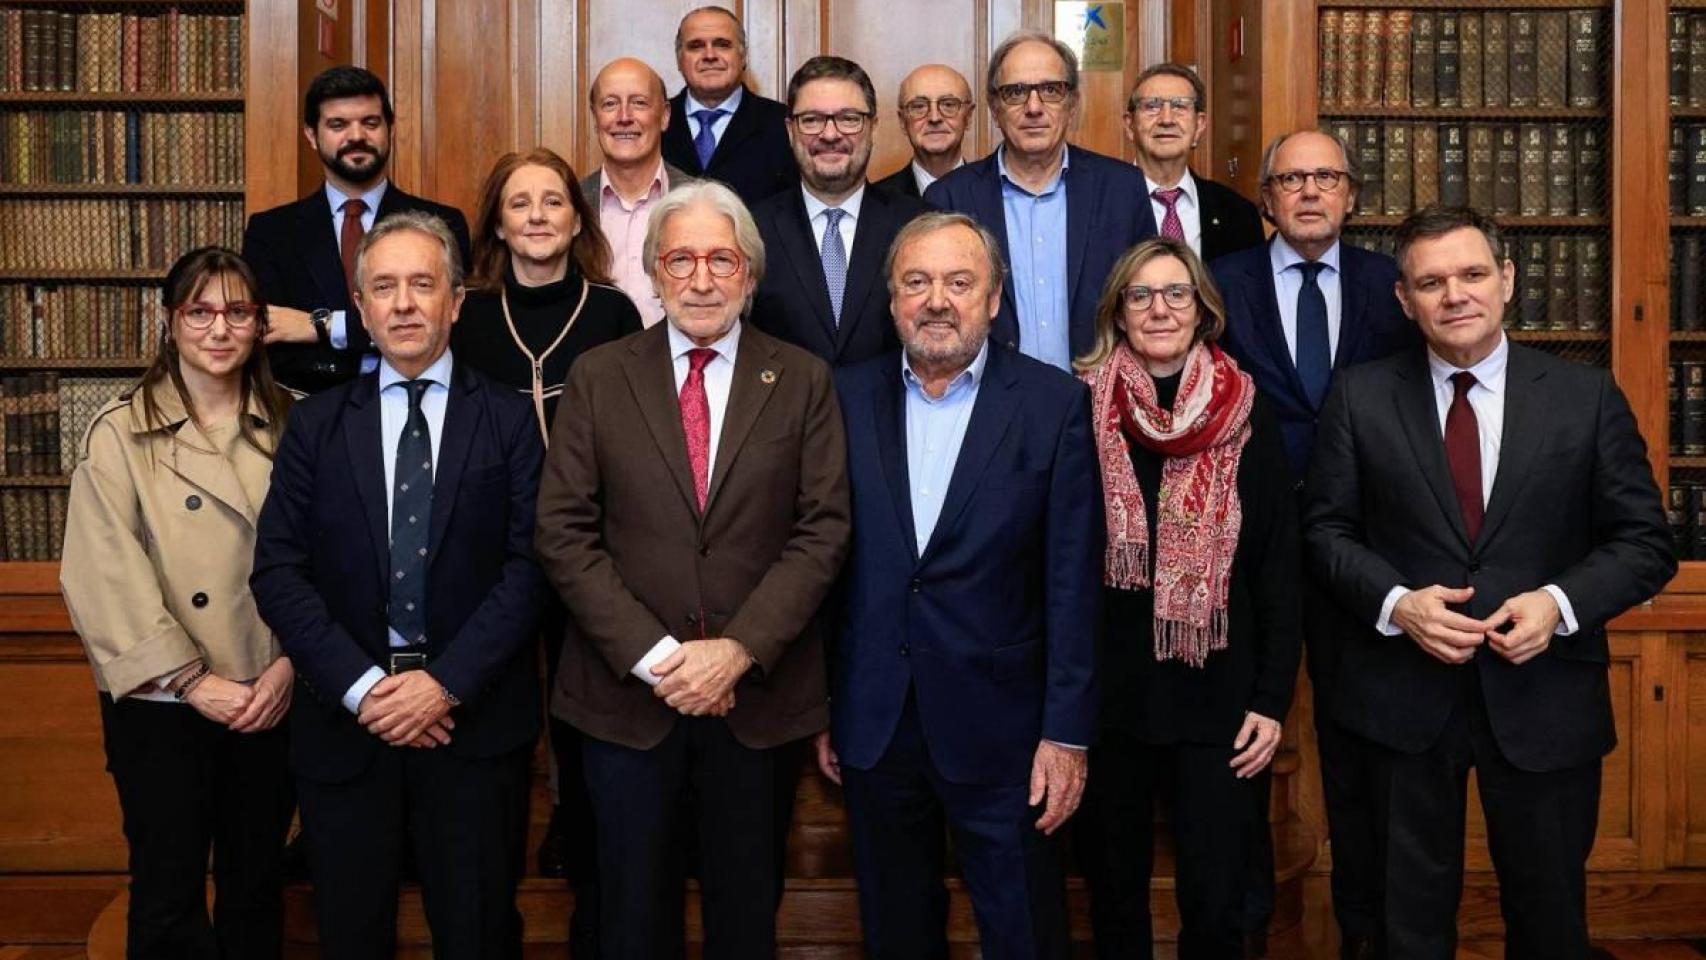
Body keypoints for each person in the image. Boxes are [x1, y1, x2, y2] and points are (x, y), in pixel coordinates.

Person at [1305, 205, 1676, 959]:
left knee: (1549, 921)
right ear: (1404, 300)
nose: (1455, 296)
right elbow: (1324, 531)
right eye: (1431, 282)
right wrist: (1397, 604)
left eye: (1473, 274)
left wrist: (1559, 604)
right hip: (1402, 702)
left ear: (1507, 280)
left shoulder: (1585, 397)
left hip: (1544, 697)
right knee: (1402, 923)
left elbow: (1644, 543)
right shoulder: (1360, 395)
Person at [534, 180, 849, 960]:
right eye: (681, 259)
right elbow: (563, 532)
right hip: (624, 704)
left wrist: (737, 651)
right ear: (655, 270)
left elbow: (823, 530)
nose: (702, 278)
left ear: (749, 273)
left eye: (721, 259)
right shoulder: (602, 375)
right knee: (629, 919)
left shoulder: (803, 379)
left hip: (754, 705)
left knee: (746, 918)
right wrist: (659, 659)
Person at [251, 211, 547, 957]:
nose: (404, 303)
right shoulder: (315, 425)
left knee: (479, 934)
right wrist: (365, 689)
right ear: (362, 308)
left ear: (455, 302)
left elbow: (533, 566)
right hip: (347, 730)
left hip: (472, 728)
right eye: (385, 287)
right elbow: (278, 570)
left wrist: (441, 685)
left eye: (423, 284)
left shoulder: (512, 422)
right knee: (351, 935)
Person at [819, 211, 1101, 959]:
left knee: (1023, 930)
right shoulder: (841, 400)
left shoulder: (1053, 405)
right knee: (895, 930)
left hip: (1007, 730)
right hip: (877, 721)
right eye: (916, 282)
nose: (936, 300)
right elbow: (823, 562)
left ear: (995, 299)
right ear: (891, 301)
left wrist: (1065, 733)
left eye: (958, 282)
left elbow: (1073, 580)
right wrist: (824, 705)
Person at [1210, 127, 1416, 960]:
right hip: (1246, 548)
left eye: (1324, 178)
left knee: (1359, 742)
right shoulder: (1220, 286)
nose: (1307, 192)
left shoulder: (1392, 287)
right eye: (1290, 179)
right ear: (1265, 199)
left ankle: (1365, 927)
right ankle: (1249, 912)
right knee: (1244, 737)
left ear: (1352, 195)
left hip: (1367, 550)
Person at [60, 247, 296, 959]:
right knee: (167, 892)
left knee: (257, 889)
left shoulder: (299, 423)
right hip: (163, 706)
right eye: (200, 311)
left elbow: (332, 559)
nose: (218, 329)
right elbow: (103, 572)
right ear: (170, 322)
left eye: (237, 311)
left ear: (259, 325)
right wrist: (193, 680)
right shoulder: (119, 432)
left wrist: (288, 666)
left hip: (271, 695)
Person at [1071, 237, 1300, 959]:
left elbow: (1278, 567)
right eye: (1140, 295)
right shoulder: (1077, 410)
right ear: (1117, 312)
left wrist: (1271, 699)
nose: (1159, 308)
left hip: (1222, 700)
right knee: (1113, 902)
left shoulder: (1246, 412)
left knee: (1216, 904)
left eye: (1176, 293)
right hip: (1109, 701)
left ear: (1204, 309)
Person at [454, 145, 642, 952]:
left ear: (577, 219)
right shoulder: (463, 313)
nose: (537, 216)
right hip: (486, 545)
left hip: (589, 543)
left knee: (583, 704)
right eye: (520, 203)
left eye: (553, 202)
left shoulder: (613, 313)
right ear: (496, 220)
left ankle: (576, 824)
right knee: (493, 706)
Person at [924, 30, 1155, 371]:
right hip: (989, 402)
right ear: (994, 108)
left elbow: (1148, 298)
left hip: (1097, 400)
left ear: (1073, 104)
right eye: (1016, 92)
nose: (1034, 107)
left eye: (1051, 90)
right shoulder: (948, 197)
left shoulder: (1122, 188)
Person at [242, 65, 472, 394]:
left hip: (420, 399)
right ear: (311, 134)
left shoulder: (441, 224)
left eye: (370, 122)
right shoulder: (271, 232)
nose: (356, 136)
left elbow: (447, 328)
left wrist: (317, 326)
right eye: (338, 125)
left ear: (390, 130)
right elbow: (273, 343)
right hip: (306, 410)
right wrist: (376, 343)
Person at [750, 55, 930, 367]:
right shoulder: (751, 229)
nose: (830, 134)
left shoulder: (919, 226)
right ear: (790, 130)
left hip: (891, 412)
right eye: (811, 120)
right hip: (786, 413)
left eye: (848, 118)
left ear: (872, 126)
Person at [580, 57, 695, 329]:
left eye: (639, 103)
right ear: (595, 118)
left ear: (665, 116)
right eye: (610, 104)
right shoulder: (571, 205)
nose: (624, 117)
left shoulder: (700, 201)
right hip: (592, 365)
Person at [1125, 64, 1263, 264]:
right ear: (1130, 125)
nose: (1166, 119)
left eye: (1180, 106)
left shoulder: (1239, 214)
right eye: (1152, 106)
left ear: (1199, 125)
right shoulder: (1100, 207)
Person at [660, 6, 796, 206]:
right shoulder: (653, 123)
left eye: (722, 45)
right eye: (696, 46)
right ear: (679, 60)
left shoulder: (783, 123)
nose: (709, 55)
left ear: (743, 57)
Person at [873, 64, 974, 199]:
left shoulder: (992, 195)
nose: (934, 117)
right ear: (902, 121)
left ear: (968, 117)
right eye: (919, 106)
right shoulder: (875, 201)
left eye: (948, 105)